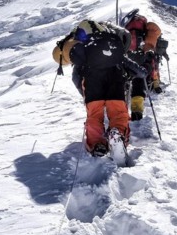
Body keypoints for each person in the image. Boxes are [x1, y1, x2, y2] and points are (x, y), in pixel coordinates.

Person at [52, 20, 146, 157]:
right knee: (119, 112)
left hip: (92, 80)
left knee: (94, 114)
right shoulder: (111, 42)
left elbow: (76, 74)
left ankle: (97, 144)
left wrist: (82, 90)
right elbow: (131, 65)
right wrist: (140, 72)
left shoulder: (85, 44)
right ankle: (118, 135)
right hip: (115, 76)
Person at [120, 9, 163, 121]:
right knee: (139, 82)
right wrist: (155, 83)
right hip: (142, 57)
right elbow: (150, 47)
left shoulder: (127, 27)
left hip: (128, 56)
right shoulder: (148, 31)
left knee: (123, 80)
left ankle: (119, 110)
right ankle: (137, 110)